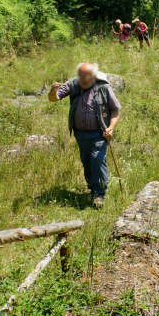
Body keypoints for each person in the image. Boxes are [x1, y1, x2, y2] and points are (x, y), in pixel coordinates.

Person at [48, 63, 122, 208]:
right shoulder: (73, 84)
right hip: (80, 134)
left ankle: (99, 194)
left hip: (100, 133)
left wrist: (111, 128)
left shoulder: (103, 87)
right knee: (87, 161)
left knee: (97, 159)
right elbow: (54, 98)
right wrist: (53, 91)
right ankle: (92, 188)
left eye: (86, 77)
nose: (83, 80)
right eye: (80, 76)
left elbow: (115, 110)